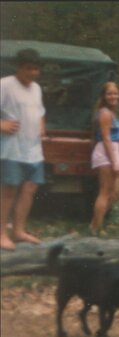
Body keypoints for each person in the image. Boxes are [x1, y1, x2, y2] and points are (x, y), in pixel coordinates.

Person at [0, 48, 46, 251]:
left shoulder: (36, 88)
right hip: (11, 149)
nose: (33, 73)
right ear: (19, 67)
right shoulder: (5, 85)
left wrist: (41, 125)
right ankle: (1, 234)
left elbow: (40, 111)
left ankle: (18, 231)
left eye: (36, 69)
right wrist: (1, 125)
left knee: (29, 189)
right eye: (29, 69)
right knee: (8, 191)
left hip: (33, 150)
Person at [90, 81, 119, 235]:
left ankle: (95, 223)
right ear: (103, 96)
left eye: (115, 93)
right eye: (109, 93)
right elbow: (106, 138)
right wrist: (114, 161)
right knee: (105, 191)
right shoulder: (104, 113)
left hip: (114, 151)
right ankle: (96, 227)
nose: (113, 96)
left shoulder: (111, 113)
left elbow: (114, 128)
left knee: (114, 192)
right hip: (106, 152)